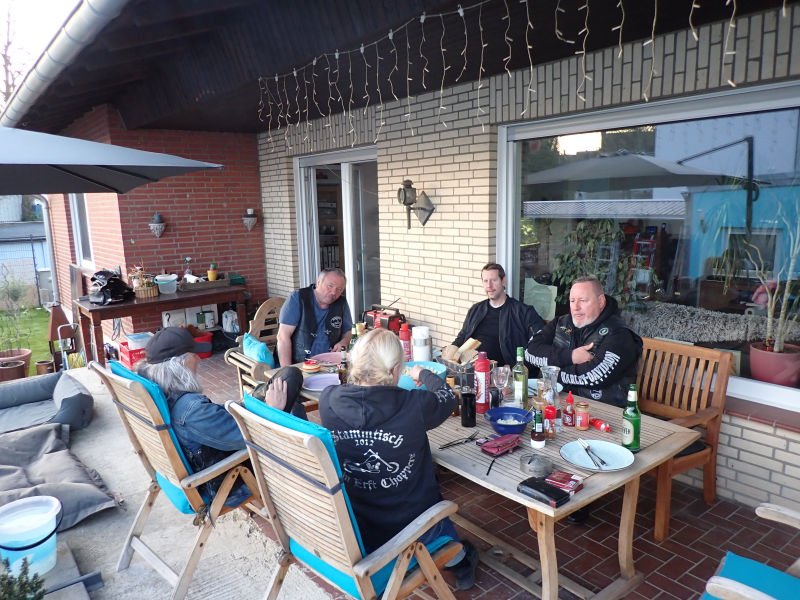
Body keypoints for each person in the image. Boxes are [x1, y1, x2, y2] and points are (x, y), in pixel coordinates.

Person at [318, 329, 479, 590]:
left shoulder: (328, 400)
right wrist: (423, 374)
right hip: (413, 525)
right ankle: (458, 562)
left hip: (360, 524)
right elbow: (448, 398)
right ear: (394, 370)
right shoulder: (413, 404)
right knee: (440, 518)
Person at [136, 327, 304, 505]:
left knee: (280, 381)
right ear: (178, 364)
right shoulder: (192, 411)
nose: (198, 359)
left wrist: (243, 406)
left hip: (212, 456)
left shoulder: (159, 396)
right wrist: (273, 410)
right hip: (230, 480)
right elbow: (252, 439)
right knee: (290, 378)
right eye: (193, 355)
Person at [525, 275, 643, 408]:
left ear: (600, 302)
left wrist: (552, 375)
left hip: (603, 410)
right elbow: (530, 351)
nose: (576, 307)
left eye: (583, 300)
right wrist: (571, 356)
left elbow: (596, 374)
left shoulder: (619, 333)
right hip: (559, 402)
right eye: (572, 300)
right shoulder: (561, 323)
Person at [444, 263, 544, 366]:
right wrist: (452, 349)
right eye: (485, 281)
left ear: (503, 281)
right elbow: (463, 335)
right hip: (470, 367)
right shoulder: (476, 309)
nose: (489, 286)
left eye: (494, 280)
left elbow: (540, 343)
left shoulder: (524, 312)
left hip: (502, 371)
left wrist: (518, 368)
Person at [277, 268, 353, 366]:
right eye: (330, 286)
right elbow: (283, 337)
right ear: (318, 282)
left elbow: (348, 331)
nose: (334, 292)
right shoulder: (298, 298)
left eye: (339, 289)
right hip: (300, 364)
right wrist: (287, 369)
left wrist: (344, 341)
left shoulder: (341, 302)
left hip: (330, 364)